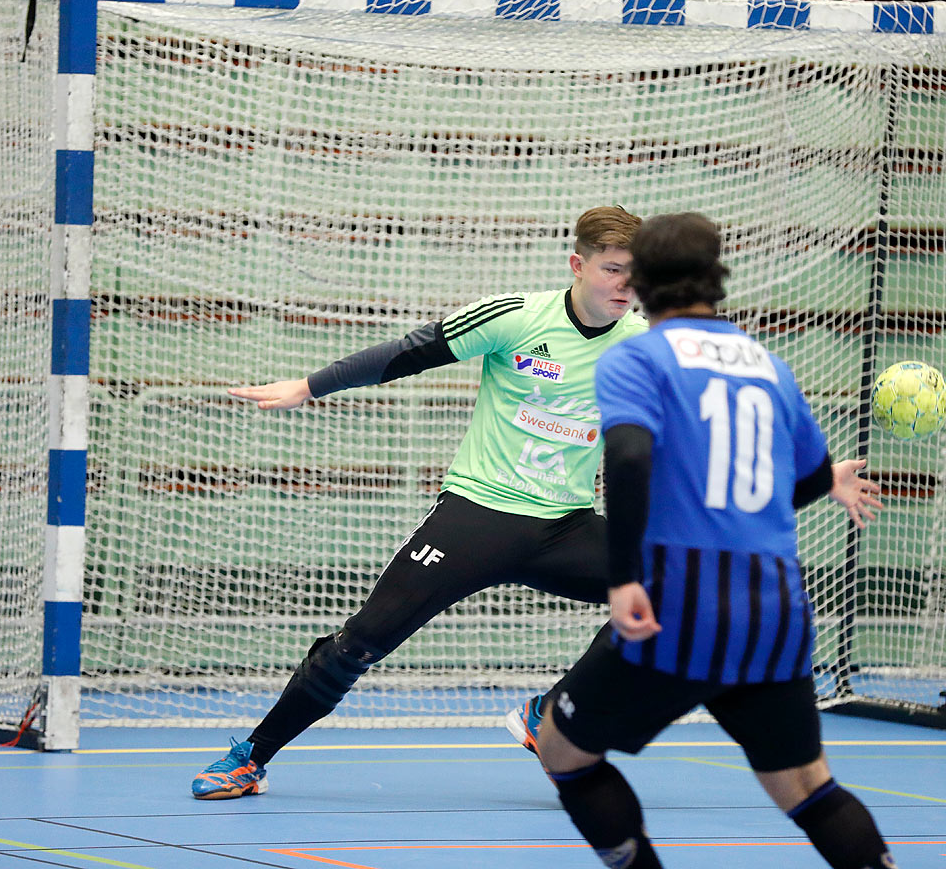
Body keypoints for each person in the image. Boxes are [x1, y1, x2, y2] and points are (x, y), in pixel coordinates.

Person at [191, 206, 648, 799]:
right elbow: (408, 352)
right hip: (477, 517)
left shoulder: (646, 344)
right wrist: (307, 386)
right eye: (613, 269)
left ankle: (554, 712)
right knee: (358, 645)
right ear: (577, 265)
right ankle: (251, 756)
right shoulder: (518, 318)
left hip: (565, 525)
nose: (626, 286)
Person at [525, 212, 896, 869]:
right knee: (807, 786)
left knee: (562, 752)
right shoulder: (767, 365)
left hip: (682, 604)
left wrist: (623, 580)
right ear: (716, 279)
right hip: (776, 607)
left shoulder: (636, 356)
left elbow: (631, 458)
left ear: (641, 281)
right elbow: (809, 479)